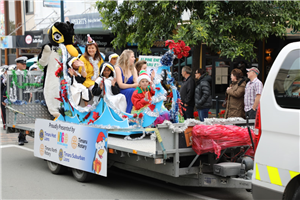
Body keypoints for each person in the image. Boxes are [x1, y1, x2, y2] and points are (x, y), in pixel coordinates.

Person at [13, 56, 28, 145]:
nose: (24, 65)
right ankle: (21, 138)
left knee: (26, 118)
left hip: (26, 98)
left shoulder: (27, 73)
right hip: (17, 98)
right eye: (22, 64)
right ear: (17, 64)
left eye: (25, 64)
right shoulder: (13, 74)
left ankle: (23, 136)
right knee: (21, 118)